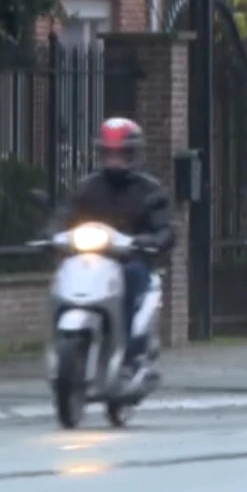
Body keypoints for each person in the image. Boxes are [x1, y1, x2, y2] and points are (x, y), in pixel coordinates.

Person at [53, 118, 175, 370]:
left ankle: (129, 353)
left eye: (121, 154)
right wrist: (52, 232)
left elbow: (165, 225)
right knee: (63, 274)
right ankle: (61, 341)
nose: (114, 159)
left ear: (133, 154)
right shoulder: (88, 186)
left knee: (131, 277)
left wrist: (153, 239)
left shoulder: (149, 189)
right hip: (92, 259)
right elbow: (66, 213)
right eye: (109, 153)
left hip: (129, 259)